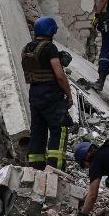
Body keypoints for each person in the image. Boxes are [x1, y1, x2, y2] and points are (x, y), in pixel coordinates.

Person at [22, 16, 73, 170]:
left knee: (38, 130)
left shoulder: (27, 48)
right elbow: (59, 74)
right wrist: (69, 94)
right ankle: (55, 169)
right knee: (59, 128)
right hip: (50, 93)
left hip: (35, 93)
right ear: (50, 31)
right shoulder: (49, 48)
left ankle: (35, 168)